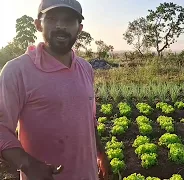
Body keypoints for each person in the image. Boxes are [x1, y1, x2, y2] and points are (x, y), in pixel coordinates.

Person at [0, 0, 109, 179]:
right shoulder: (17, 71)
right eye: (51, 18)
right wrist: (28, 164)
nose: (60, 26)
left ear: (79, 28)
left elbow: (89, 120)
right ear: (38, 25)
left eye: (68, 20)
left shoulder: (86, 68)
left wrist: (100, 153)